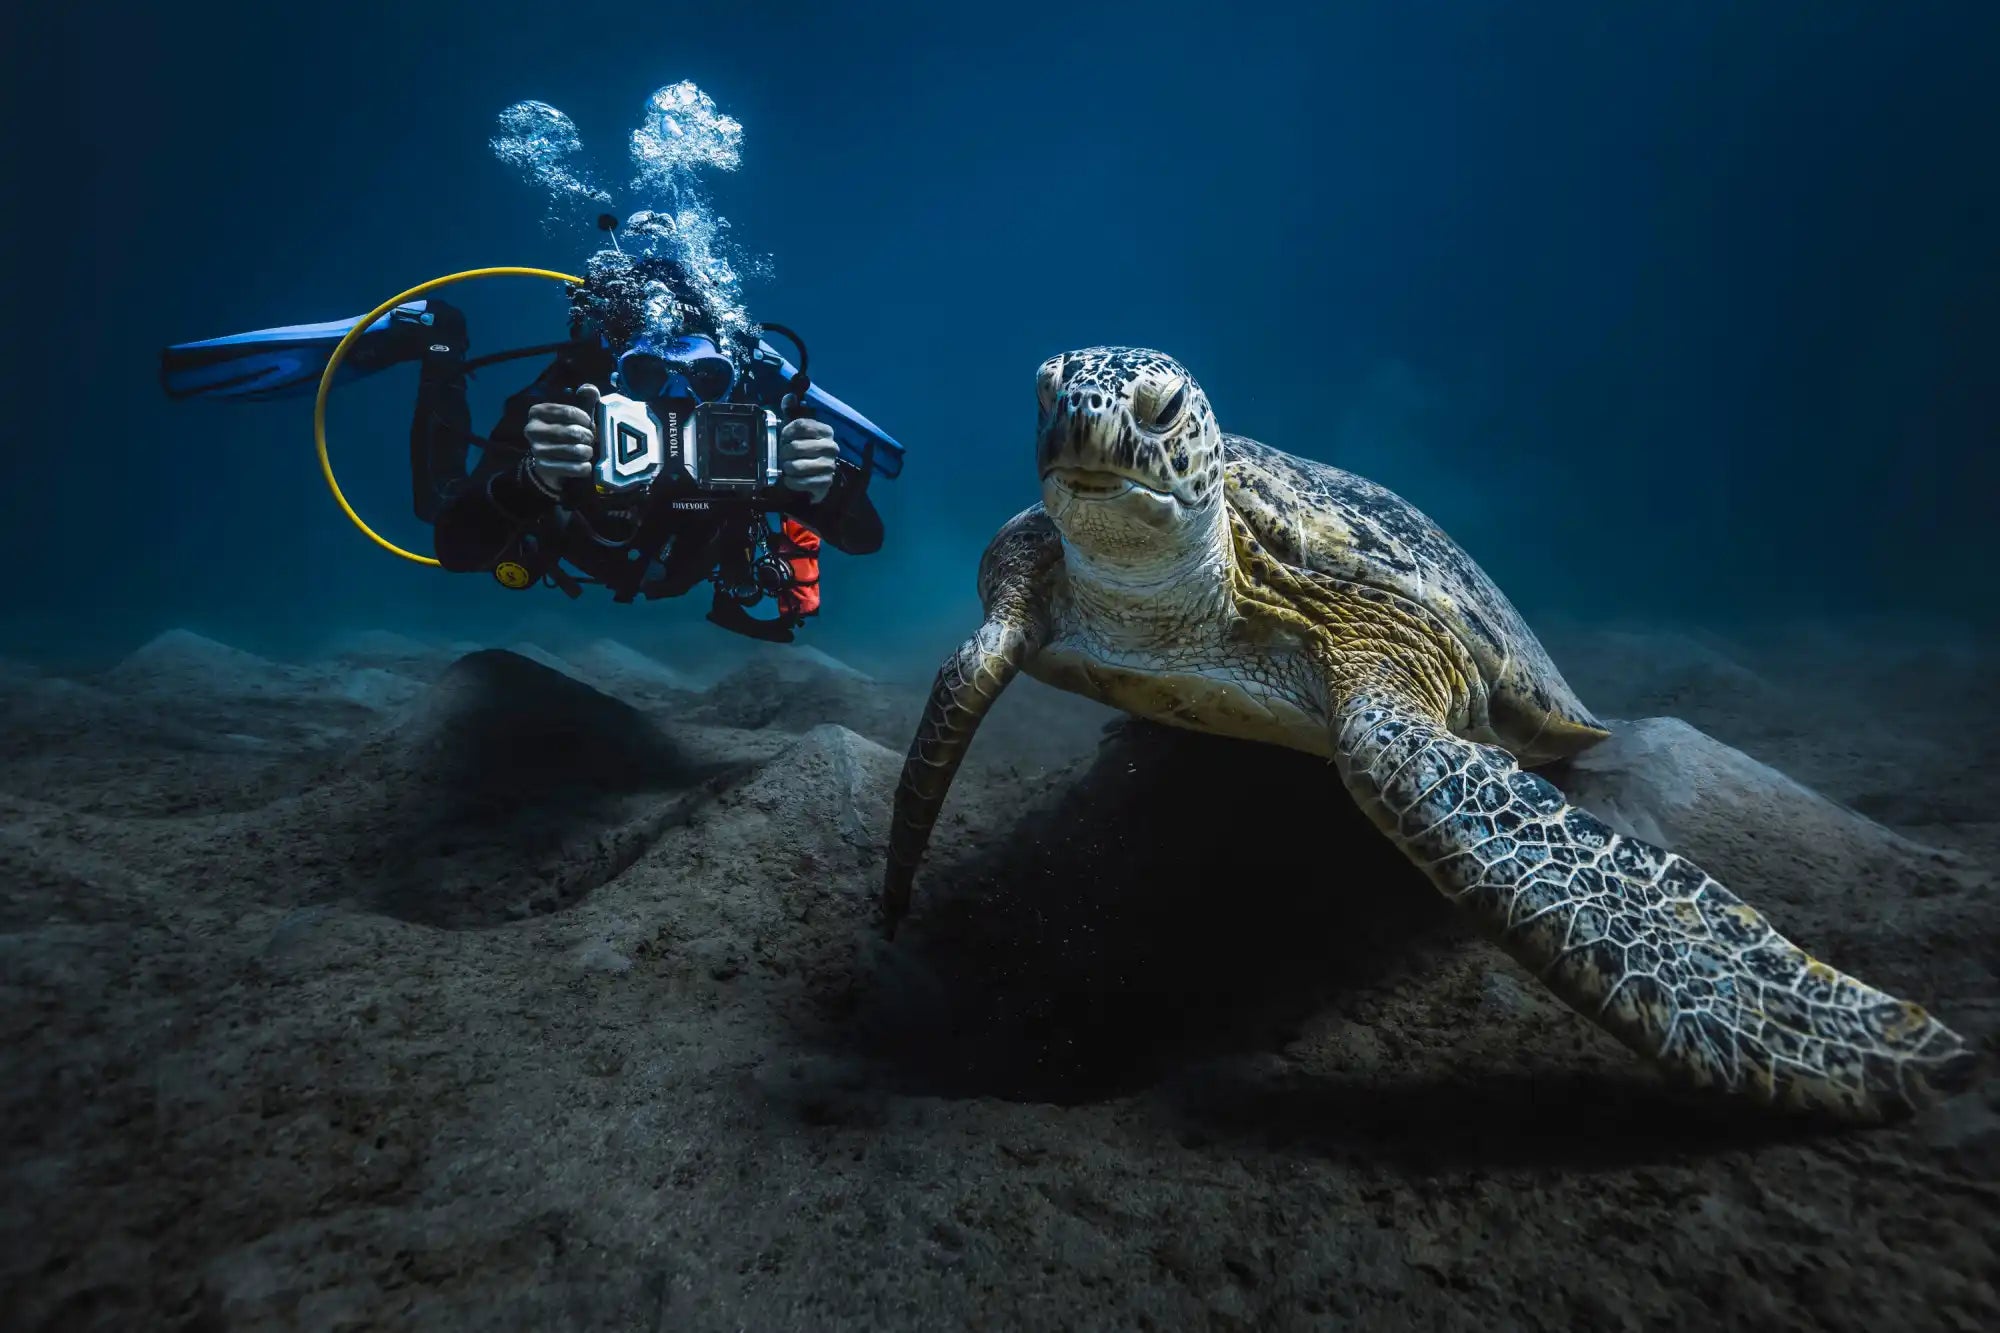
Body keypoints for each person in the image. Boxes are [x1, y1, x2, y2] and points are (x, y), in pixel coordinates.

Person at [406, 292, 884, 637]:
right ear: (617, 373)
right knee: (440, 500)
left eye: (706, 377)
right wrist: (534, 480)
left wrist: (822, 483)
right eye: (646, 373)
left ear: (730, 380)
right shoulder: (572, 411)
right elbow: (457, 550)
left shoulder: (752, 436)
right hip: (579, 548)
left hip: (686, 565)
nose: (675, 396)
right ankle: (442, 350)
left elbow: (865, 538)